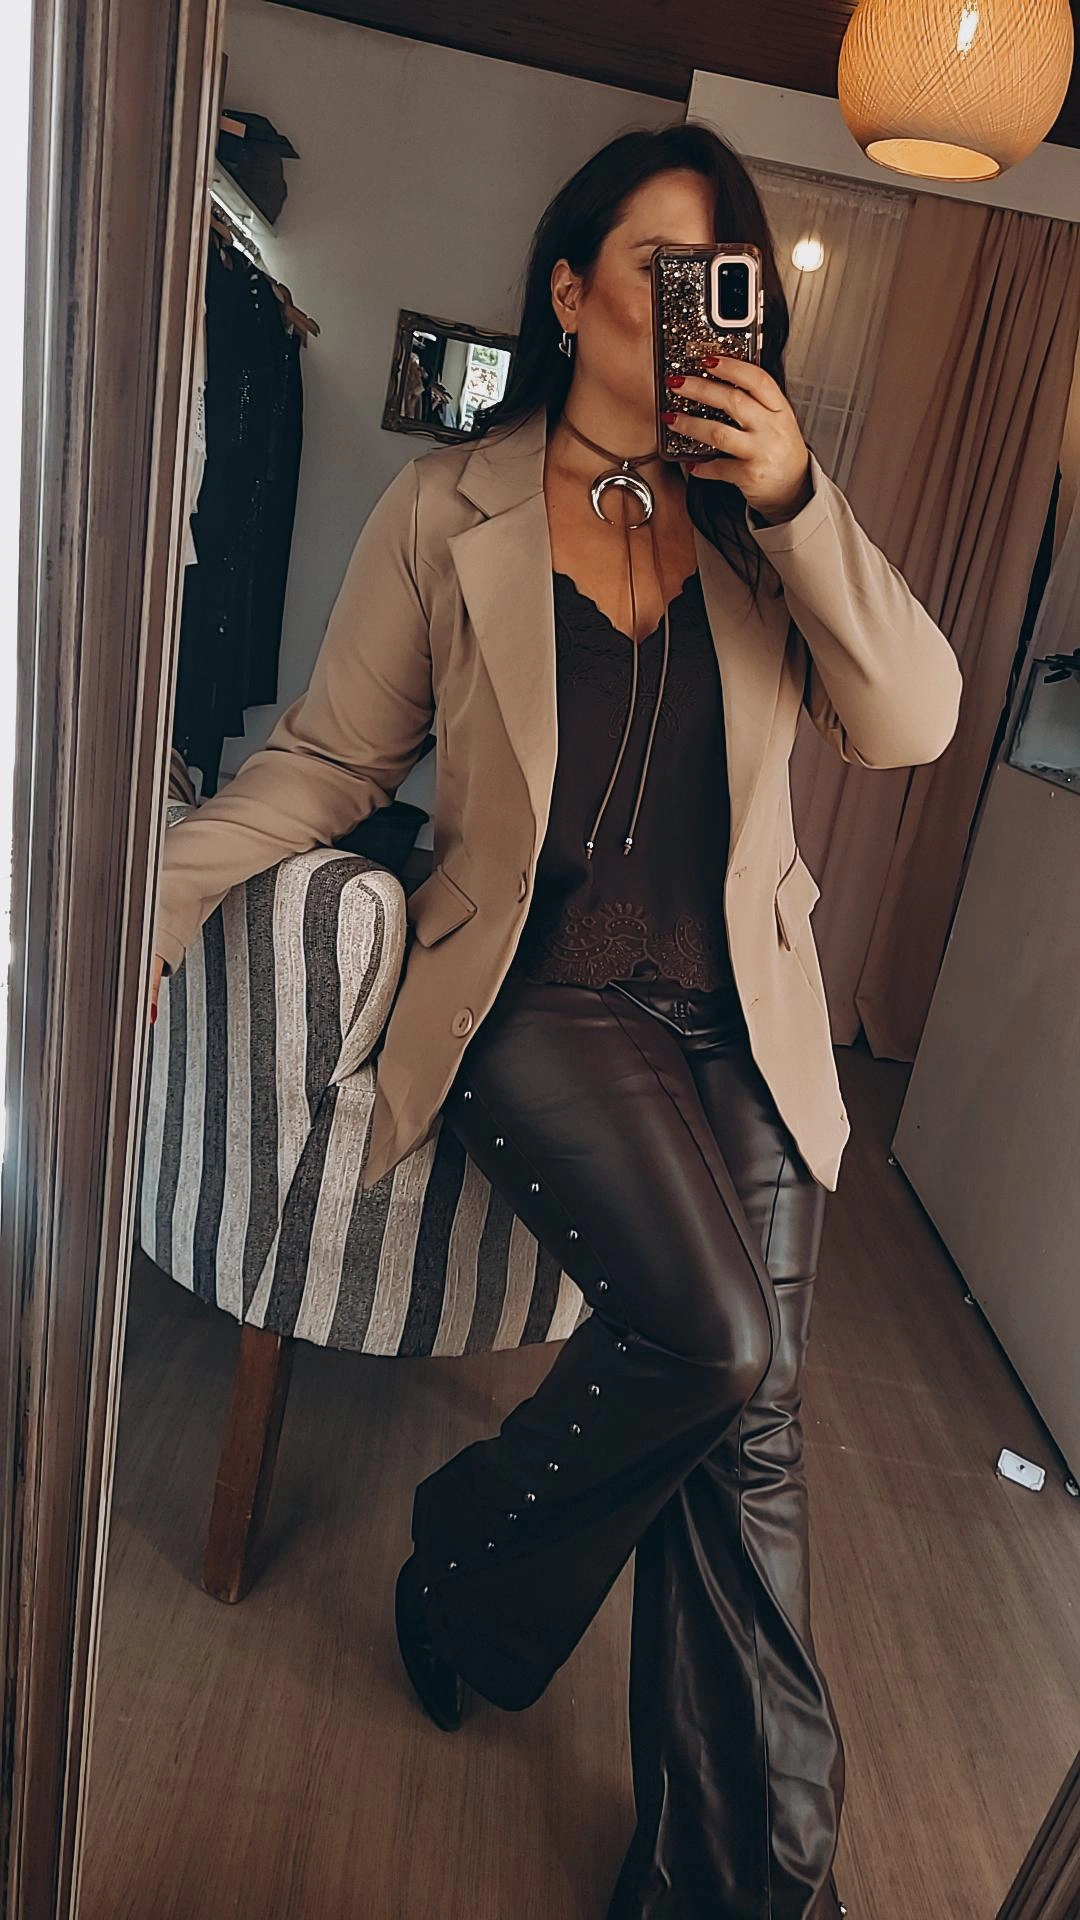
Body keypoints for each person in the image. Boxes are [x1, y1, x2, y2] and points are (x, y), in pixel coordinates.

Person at [151, 122, 963, 1919]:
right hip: (542, 997)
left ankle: (742, 1884)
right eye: (665, 275)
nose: (695, 317)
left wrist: (799, 500)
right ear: (575, 289)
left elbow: (913, 719)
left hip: (745, 1020)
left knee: (751, 1436)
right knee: (718, 1346)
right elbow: (332, 757)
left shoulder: (762, 525)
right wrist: (160, 894)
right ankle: (457, 1570)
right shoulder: (447, 509)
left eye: (724, 289)